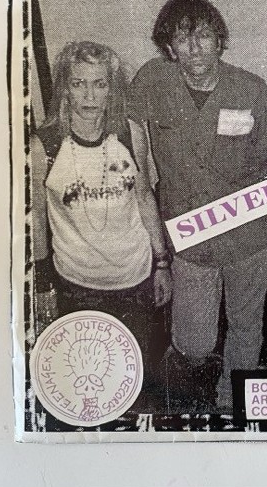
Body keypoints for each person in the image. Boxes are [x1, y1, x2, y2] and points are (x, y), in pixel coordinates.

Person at [128, 0, 267, 412]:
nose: (195, 48)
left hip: (246, 230)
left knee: (246, 327)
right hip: (190, 234)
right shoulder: (153, 81)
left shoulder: (250, 88)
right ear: (169, 46)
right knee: (195, 343)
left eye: (204, 36)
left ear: (220, 41)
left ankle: (233, 402)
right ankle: (190, 375)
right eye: (183, 38)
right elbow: (124, 123)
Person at [30, 41, 172, 371]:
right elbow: (36, 218)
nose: (90, 96)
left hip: (134, 278)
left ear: (112, 89)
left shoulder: (129, 133)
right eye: (78, 84)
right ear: (65, 89)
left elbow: (144, 198)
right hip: (77, 285)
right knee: (87, 372)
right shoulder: (44, 146)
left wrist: (162, 263)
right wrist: (42, 283)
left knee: (134, 372)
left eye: (100, 84)